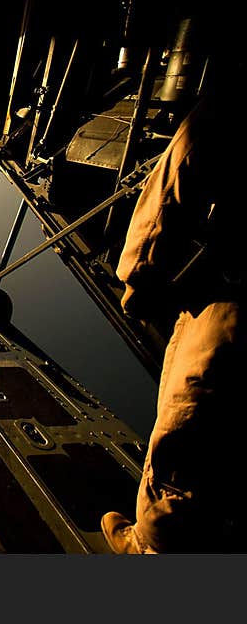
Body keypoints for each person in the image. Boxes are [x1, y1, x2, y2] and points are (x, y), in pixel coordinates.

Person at [101, 90, 246, 553]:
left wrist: (140, 273)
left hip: (232, 290)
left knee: (191, 413)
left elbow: (185, 161)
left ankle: (154, 546)